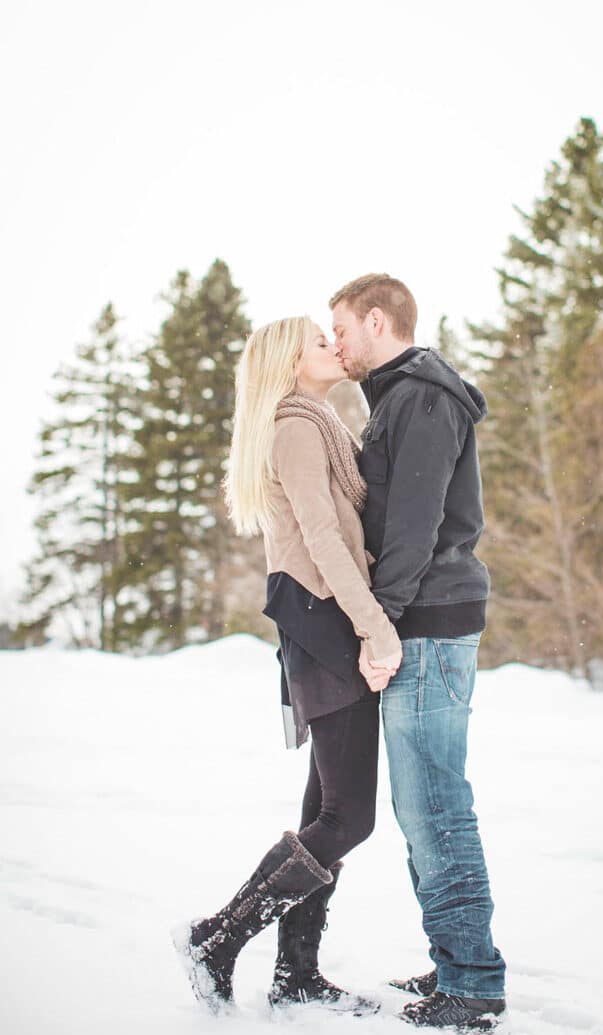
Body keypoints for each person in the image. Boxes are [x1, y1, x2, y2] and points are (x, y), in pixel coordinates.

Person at [172, 316, 402, 1016]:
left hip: (318, 618)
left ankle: (296, 973)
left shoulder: (315, 423)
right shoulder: (298, 427)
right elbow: (323, 539)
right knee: (348, 817)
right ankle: (216, 937)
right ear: (290, 363)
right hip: (325, 617)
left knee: (324, 806)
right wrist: (376, 627)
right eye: (317, 340)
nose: (333, 346)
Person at [331, 274, 507, 1031]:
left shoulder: (422, 395)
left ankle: (472, 983)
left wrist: (383, 625)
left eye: (339, 327)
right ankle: (453, 958)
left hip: (428, 619)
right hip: (420, 617)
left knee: (434, 800)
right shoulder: (400, 395)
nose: (333, 341)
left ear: (377, 320)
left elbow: (414, 527)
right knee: (420, 802)